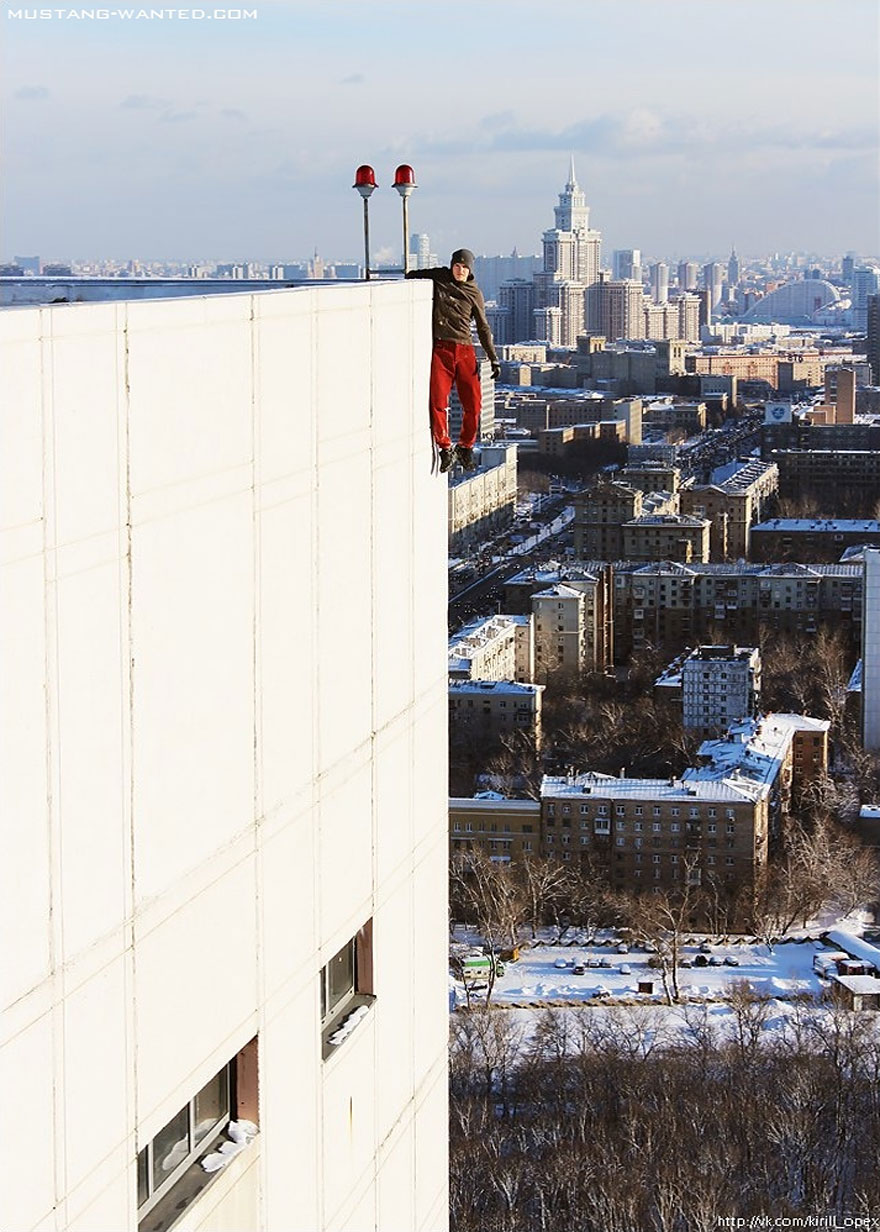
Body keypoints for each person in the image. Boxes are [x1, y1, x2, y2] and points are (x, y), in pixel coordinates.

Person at [406, 248, 500, 473]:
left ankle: (465, 447)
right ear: (451, 266)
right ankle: (445, 447)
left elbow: (483, 327)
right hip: (442, 350)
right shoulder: (440, 278)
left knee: (473, 404)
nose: (460, 270)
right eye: (457, 266)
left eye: (464, 267)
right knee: (438, 401)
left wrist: (493, 357)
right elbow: (411, 275)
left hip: (465, 351)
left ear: (470, 270)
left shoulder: (473, 292)